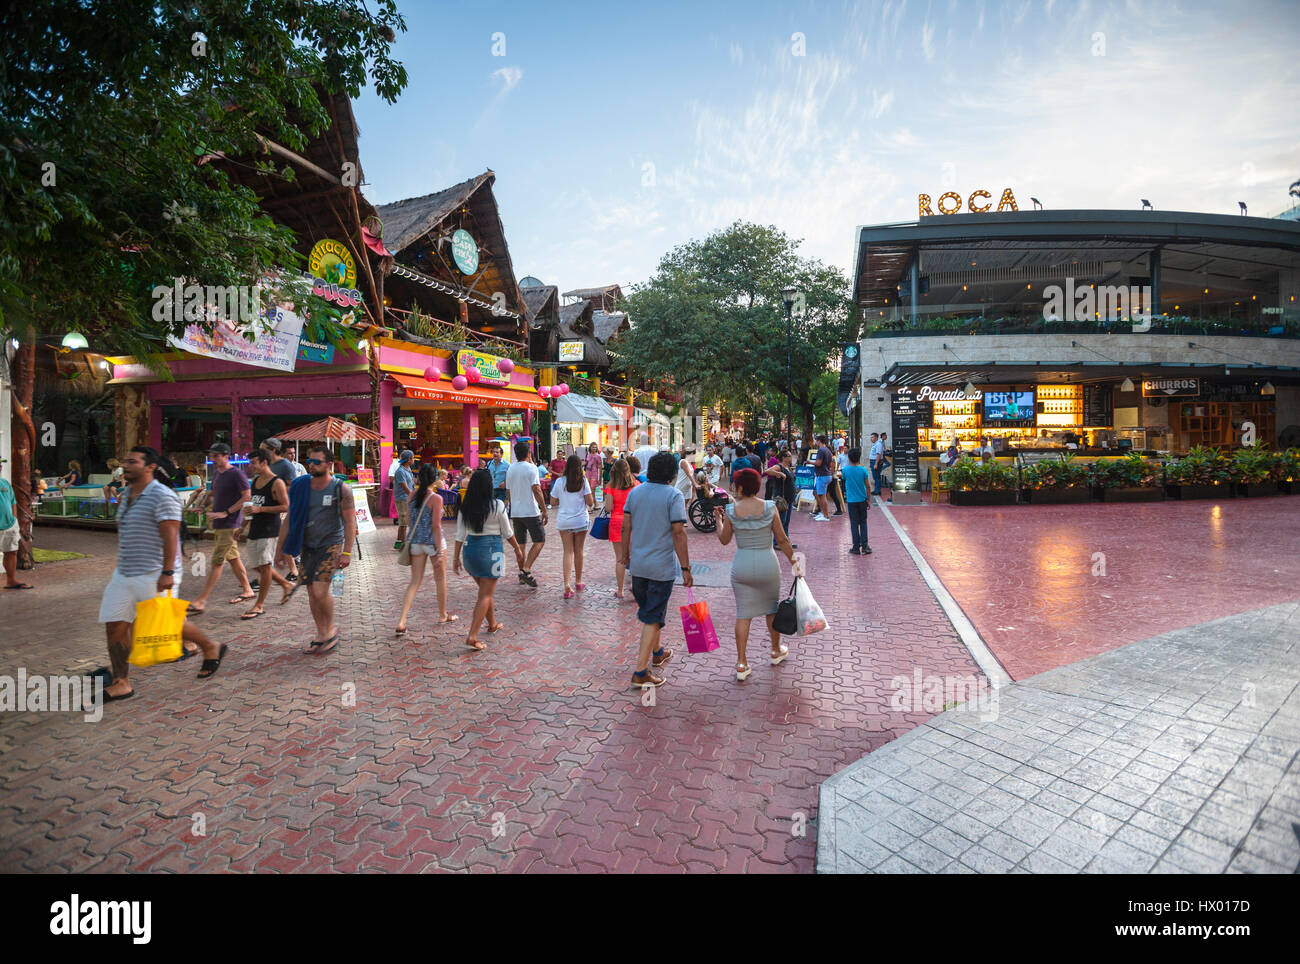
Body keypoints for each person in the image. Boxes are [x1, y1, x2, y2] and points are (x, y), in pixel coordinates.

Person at [96, 446, 227, 701]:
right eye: (125, 461)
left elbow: (170, 535)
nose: (126, 465)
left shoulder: (162, 495)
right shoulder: (127, 495)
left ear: (150, 467)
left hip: (155, 571)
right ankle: (121, 681)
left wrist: (167, 572)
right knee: (115, 625)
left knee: (166, 623)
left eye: (132, 461)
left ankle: (210, 646)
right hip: (125, 573)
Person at [712, 467, 796, 682]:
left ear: (740, 486)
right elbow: (783, 540)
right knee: (772, 609)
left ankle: (741, 663)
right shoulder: (769, 507)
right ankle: (776, 650)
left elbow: (723, 540)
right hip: (768, 563)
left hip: (742, 565)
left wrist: (718, 520)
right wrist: (795, 563)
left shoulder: (731, 511)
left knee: (743, 614)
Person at [617, 451, 692, 689]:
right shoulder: (674, 496)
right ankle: (640, 672)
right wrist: (686, 568)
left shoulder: (636, 492)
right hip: (661, 568)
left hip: (638, 566)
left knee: (651, 612)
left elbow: (625, 526)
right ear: (672, 474)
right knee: (652, 617)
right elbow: (679, 533)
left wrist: (625, 556)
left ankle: (658, 652)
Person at [275, 444, 356, 655]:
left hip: (331, 545)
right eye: (309, 461)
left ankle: (330, 629)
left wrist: (347, 552)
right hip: (307, 545)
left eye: (316, 462)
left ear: (329, 464)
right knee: (311, 592)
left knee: (320, 591)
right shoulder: (301, 486)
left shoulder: (341, 489)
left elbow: (350, 522)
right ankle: (321, 633)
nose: (311, 465)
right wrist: (280, 548)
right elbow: (290, 518)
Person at [453, 468, 525, 651]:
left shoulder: (465, 507)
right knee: (485, 594)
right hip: (492, 552)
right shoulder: (498, 505)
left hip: (470, 552)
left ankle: (492, 623)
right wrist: (517, 549)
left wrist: (455, 558)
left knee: (486, 591)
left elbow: (460, 535)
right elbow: (508, 532)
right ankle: (472, 636)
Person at [185, 443, 254, 614]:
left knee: (217, 561)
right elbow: (213, 495)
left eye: (216, 456)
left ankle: (201, 600)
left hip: (229, 523)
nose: (212, 459)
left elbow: (247, 496)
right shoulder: (217, 474)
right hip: (219, 523)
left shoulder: (236, 474)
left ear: (226, 456)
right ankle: (248, 589)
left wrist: (227, 512)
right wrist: (201, 506)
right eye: (211, 456)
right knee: (233, 557)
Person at [396, 464, 457, 634]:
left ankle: (402, 621)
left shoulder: (412, 496)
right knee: (440, 579)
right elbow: (436, 526)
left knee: (414, 582)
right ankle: (442, 614)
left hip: (416, 543)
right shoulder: (436, 499)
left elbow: (409, 520)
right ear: (435, 479)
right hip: (433, 542)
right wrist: (438, 551)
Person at [240, 449, 294, 617]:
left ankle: (259, 605)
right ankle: (286, 584)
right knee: (257, 566)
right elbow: (251, 506)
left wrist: (260, 509)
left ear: (264, 462)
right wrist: (241, 527)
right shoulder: (255, 481)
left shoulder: (276, 482)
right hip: (255, 529)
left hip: (270, 530)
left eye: (254, 462)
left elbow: (286, 506)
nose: (251, 466)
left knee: (265, 567)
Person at [506, 438, 548, 587]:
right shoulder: (532, 468)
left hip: (516, 512)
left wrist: (513, 505)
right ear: (528, 453)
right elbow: (537, 489)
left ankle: (522, 575)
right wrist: (544, 509)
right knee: (540, 540)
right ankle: (526, 569)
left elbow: (508, 491)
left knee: (521, 544)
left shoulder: (511, 468)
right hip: (530, 510)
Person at [552, 454, 594, 598]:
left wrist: (562, 501)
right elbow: (590, 502)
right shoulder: (583, 481)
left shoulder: (559, 482)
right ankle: (578, 581)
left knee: (567, 552)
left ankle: (566, 584)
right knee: (579, 550)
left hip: (564, 521)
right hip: (580, 520)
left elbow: (552, 502)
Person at [605, 457, 639, 600]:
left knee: (620, 559)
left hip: (616, 522)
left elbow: (608, 508)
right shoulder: (636, 485)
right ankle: (634, 585)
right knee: (633, 557)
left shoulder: (611, 486)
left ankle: (620, 590)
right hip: (632, 522)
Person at [0, 460, 33, 589]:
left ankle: (11, 580)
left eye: (0, 464)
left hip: (9, 525)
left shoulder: (5, 483)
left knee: (11, 552)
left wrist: (14, 520)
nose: (0, 466)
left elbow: (13, 501)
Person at [763, 448, 797, 550]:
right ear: (784, 458)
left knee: (786, 521)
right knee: (781, 521)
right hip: (782, 499)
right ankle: (777, 542)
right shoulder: (779, 466)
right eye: (789, 456)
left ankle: (785, 541)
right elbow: (767, 471)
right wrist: (778, 474)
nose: (791, 457)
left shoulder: (789, 467)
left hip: (789, 499)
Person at [842, 448, 873, 555]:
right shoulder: (863, 470)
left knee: (854, 524)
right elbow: (868, 487)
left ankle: (856, 546)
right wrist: (869, 500)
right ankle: (865, 546)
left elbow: (844, 480)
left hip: (851, 501)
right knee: (863, 523)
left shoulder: (845, 471)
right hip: (862, 500)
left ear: (849, 458)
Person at [393, 449, 415, 551]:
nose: (414, 460)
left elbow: (411, 485)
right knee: (403, 523)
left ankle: (398, 543)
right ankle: (402, 546)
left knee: (404, 523)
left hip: (407, 498)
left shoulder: (408, 469)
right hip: (402, 499)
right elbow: (405, 487)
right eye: (413, 458)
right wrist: (413, 496)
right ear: (408, 460)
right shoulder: (400, 471)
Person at [812, 435, 835, 521]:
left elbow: (818, 463)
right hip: (825, 474)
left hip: (822, 475)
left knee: (822, 495)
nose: (815, 442)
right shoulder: (827, 450)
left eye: (816, 440)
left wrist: (809, 462)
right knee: (816, 493)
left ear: (818, 441)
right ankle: (822, 512)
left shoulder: (821, 450)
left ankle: (825, 515)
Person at [869, 432, 885, 497]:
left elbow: (878, 454)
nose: (871, 439)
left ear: (876, 437)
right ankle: (876, 490)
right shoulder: (875, 444)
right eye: (871, 437)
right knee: (875, 477)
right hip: (873, 461)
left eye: (872, 437)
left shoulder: (878, 444)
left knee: (877, 477)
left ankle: (877, 491)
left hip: (876, 462)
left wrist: (876, 464)